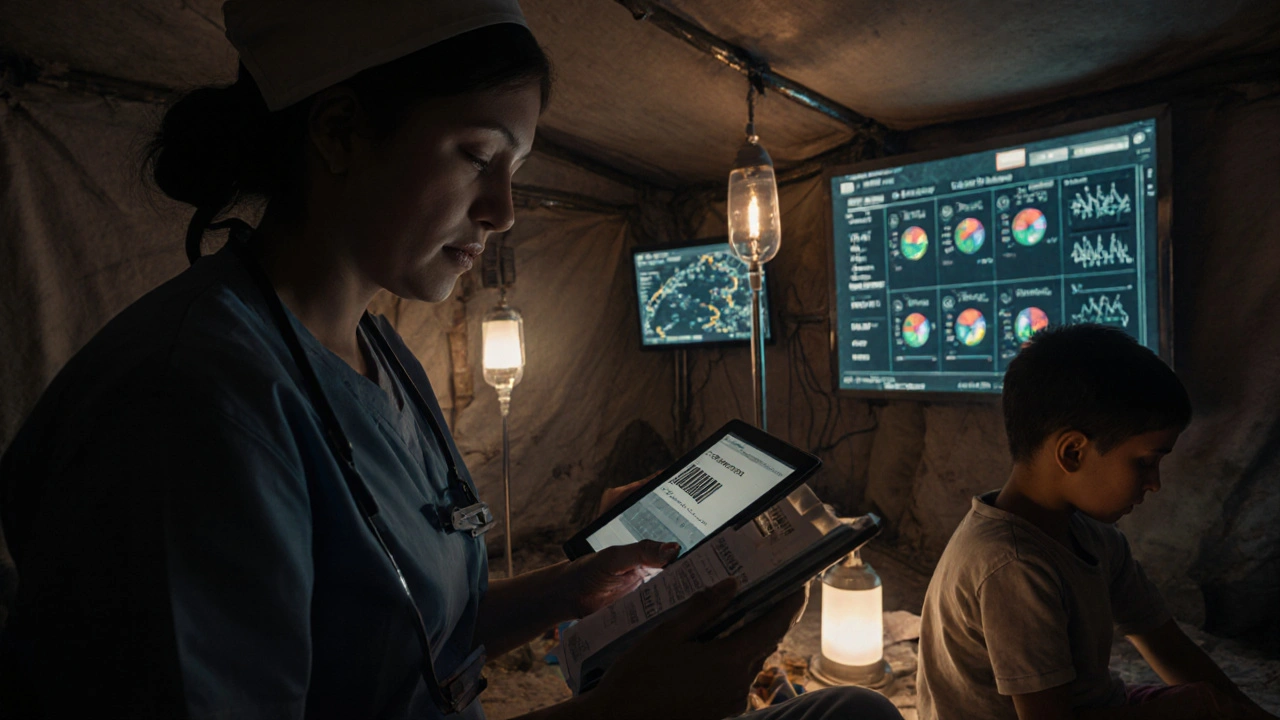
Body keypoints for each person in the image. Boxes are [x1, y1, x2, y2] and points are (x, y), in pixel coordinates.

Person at [0, 2, 903, 719]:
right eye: (478, 156)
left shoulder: (378, 352)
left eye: (516, 167)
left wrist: (571, 586)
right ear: (344, 131)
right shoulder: (190, 407)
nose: (505, 209)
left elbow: (417, 630)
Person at [916, 324, 1277, 720]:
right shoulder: (1012, 565)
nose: (1155, 484)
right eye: (1145, 463)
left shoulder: (1096, 538)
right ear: (1072, 452)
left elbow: (1166, 642)